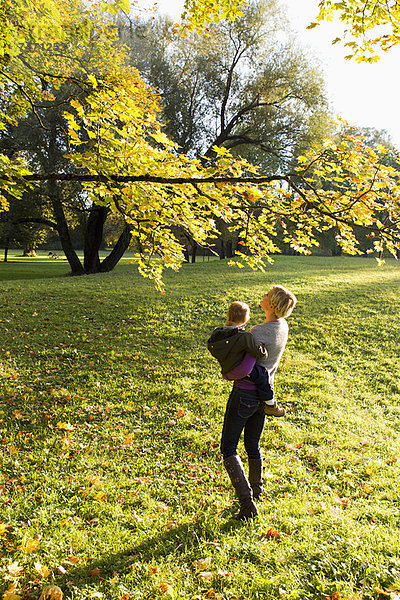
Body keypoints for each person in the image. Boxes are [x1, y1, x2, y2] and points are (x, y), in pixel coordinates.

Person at [220, 285, 297, 520]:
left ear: (271, 305)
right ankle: (257, 491)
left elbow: (238, 359)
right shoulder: (282, 326)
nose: (262, 297)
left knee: (229, 447)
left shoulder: (258, 332)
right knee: (252, 444)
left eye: (266, 296)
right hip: (263, 396)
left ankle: (247, 504)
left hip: (244, 394)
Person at [207, 301, 275, 407]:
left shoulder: (217, 333)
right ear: (245, 320)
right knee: (262, 374)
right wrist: (263, 351)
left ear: (228, 315)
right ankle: (270, 403)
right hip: (240, 370)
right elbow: (258, 352)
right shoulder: (244, 336)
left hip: (226, 371)